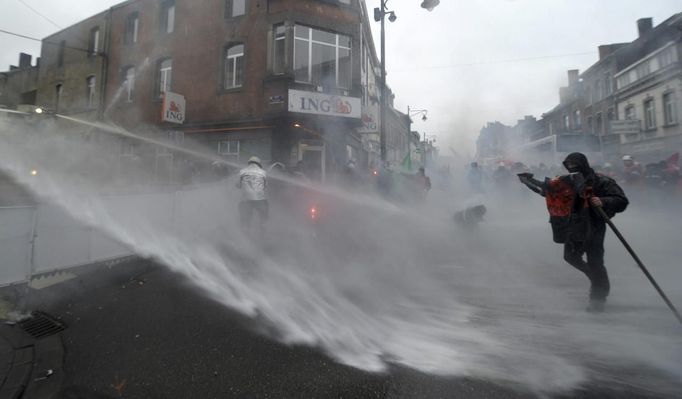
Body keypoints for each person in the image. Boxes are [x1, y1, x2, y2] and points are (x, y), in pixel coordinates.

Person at [519, 152, 629, 312]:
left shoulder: (600, 181)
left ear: (583, 164)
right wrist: (528, 181)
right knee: (570, 256)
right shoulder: (565, 182)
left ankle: (598, 299)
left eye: (574, 165)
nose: (571, 169)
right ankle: (597, 279)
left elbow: (621, 200)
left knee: (595, 262)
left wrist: (603, 201)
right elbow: (547, 191)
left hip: (594, 227)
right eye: (569, 166)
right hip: (574, 227)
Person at [236, 156, 268, 240]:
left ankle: (245, 237)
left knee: (245, 219)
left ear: (249, 163)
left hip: (246, 200)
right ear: (259, 164)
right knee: (263, 217)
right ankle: (262, 235)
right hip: (260, 199)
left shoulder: (242, 171)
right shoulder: (263, 172)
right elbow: (265, 187)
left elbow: (238, 185)